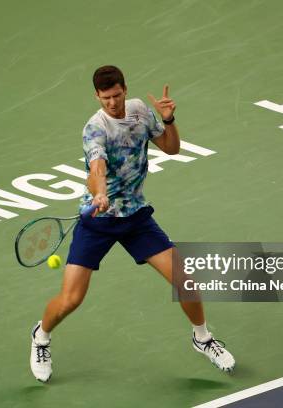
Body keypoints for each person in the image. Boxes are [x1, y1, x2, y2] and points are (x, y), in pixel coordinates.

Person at [29, 65, 235, 382]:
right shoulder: (94, 129)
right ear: (97, 96)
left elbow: (171, 147)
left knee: (186, 281)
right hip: (99, 219)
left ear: (125, 89)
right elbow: (95, 168)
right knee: (71, 300)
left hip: (136, 216)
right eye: (105, 98)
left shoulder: (139, 111)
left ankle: (203, 339)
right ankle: (41, 336)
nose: (112, 103)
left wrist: (168, 119)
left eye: (116, 95)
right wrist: (99, 194)